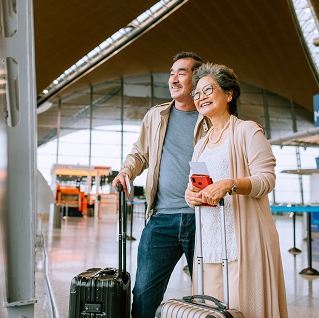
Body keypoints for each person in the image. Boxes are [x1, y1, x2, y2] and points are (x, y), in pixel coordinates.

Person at [184, 62, 289, 317]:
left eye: (208, 90)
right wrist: (191, 195)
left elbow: (266, 179)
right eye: (197, 94)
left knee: (245, 309)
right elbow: (197, 184)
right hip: (209, 243)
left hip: (241, 241)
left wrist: (230, 184)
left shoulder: (247, 131)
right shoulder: (201, 143)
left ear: (229, 94)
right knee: (211, 310)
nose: (201, 97)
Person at [112, 51, 211, 318]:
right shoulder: (156, 116)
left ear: (198, 79)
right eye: (172, 73)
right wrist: (126, 171)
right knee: (144, 293)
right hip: (161, 219)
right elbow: (140, 153)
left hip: (203, 220)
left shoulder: (212, 118)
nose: (174, 78)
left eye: (182, 72)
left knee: (209, 293)